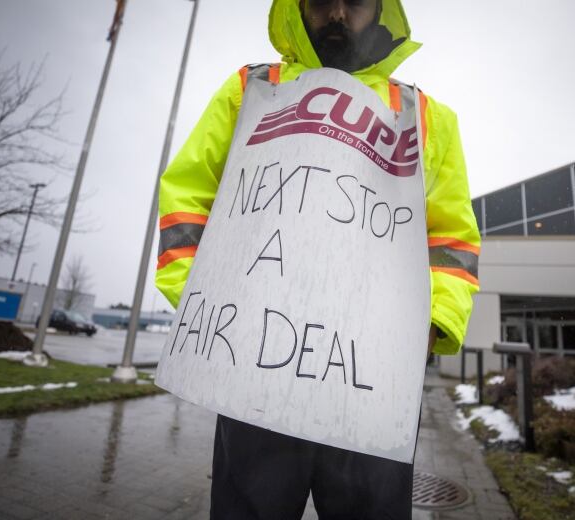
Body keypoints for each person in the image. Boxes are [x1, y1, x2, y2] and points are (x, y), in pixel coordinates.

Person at [155, 0, 480, 518]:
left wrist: (433, 322)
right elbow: (187, 200)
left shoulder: (423, 116)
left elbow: (450, 238)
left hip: (371, 379)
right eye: (321, 2)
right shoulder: (254, 89)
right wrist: (203, 298)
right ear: (296, 8)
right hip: (255, 365)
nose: (336, 15)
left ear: (379, 10)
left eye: (353, 3)